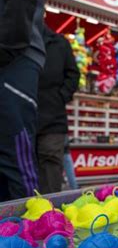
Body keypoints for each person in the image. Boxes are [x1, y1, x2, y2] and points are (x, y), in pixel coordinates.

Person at [0, 0, 45, 200]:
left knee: (16, 157)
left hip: (15, 58)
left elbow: (19, 0)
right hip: (15, 55)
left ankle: (29, 226)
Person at [36, 24, 79, 194]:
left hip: (52, 119)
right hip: (22, 117)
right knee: (22, 171)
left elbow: (73, 74)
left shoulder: (59, 43)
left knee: (50, 166)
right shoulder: (17, 39)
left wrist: (59, 97)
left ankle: (48, 216)